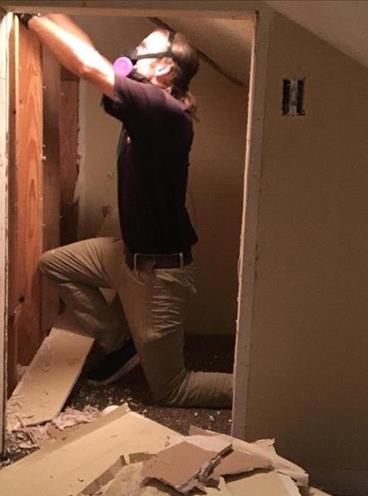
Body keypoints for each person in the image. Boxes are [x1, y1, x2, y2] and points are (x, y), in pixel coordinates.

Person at [22, 13, 231, 408]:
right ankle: (117, 341)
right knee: (54, 264)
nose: (132, 54)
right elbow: (93, 57)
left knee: (173, 390)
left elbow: (85, 66)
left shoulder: (162, 110)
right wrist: (52, 12)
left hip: (158, 272)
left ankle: (264, 388)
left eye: (142, 49)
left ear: (166, 67)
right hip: (124, 252)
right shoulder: (142, 98)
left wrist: (32, 17)